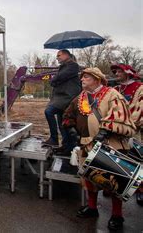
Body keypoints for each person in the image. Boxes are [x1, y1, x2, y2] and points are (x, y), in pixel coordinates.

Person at [62, 68, 137, 231]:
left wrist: (103, 132)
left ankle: (117, 215)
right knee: (89, 179)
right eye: (82, 77)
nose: (82, 80)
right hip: (86, 145)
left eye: (86, 77)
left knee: (115, 181)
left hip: (110, 144)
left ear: (97, 79)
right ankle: (92, 208)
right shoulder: (79, 98)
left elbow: (121, 116)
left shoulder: (112, 95)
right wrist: (73, 130)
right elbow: (67, 116)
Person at [111, 63, 142, 206]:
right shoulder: (116, 89)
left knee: (136, 161)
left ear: (127, 72)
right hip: (116, 131)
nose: (116, 74)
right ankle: (113, 184)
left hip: (134, 131)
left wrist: (127, 127)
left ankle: (140, 190)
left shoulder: (139, 88)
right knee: (117, 160)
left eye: (118, 71)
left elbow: (139, 110)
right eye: (115, 71)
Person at [43, 49, 81, 155]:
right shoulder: (63, 67)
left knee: (49, 111)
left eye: (59, 55)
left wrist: (54, 80)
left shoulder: (73, 66)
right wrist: (55, 80)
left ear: (66, 55)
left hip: (67, 97)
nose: (57, 57)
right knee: (63, 124)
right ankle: (66, 147)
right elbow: (59, 78)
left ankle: (54, 138)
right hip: (61, 98)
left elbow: (60, 77)